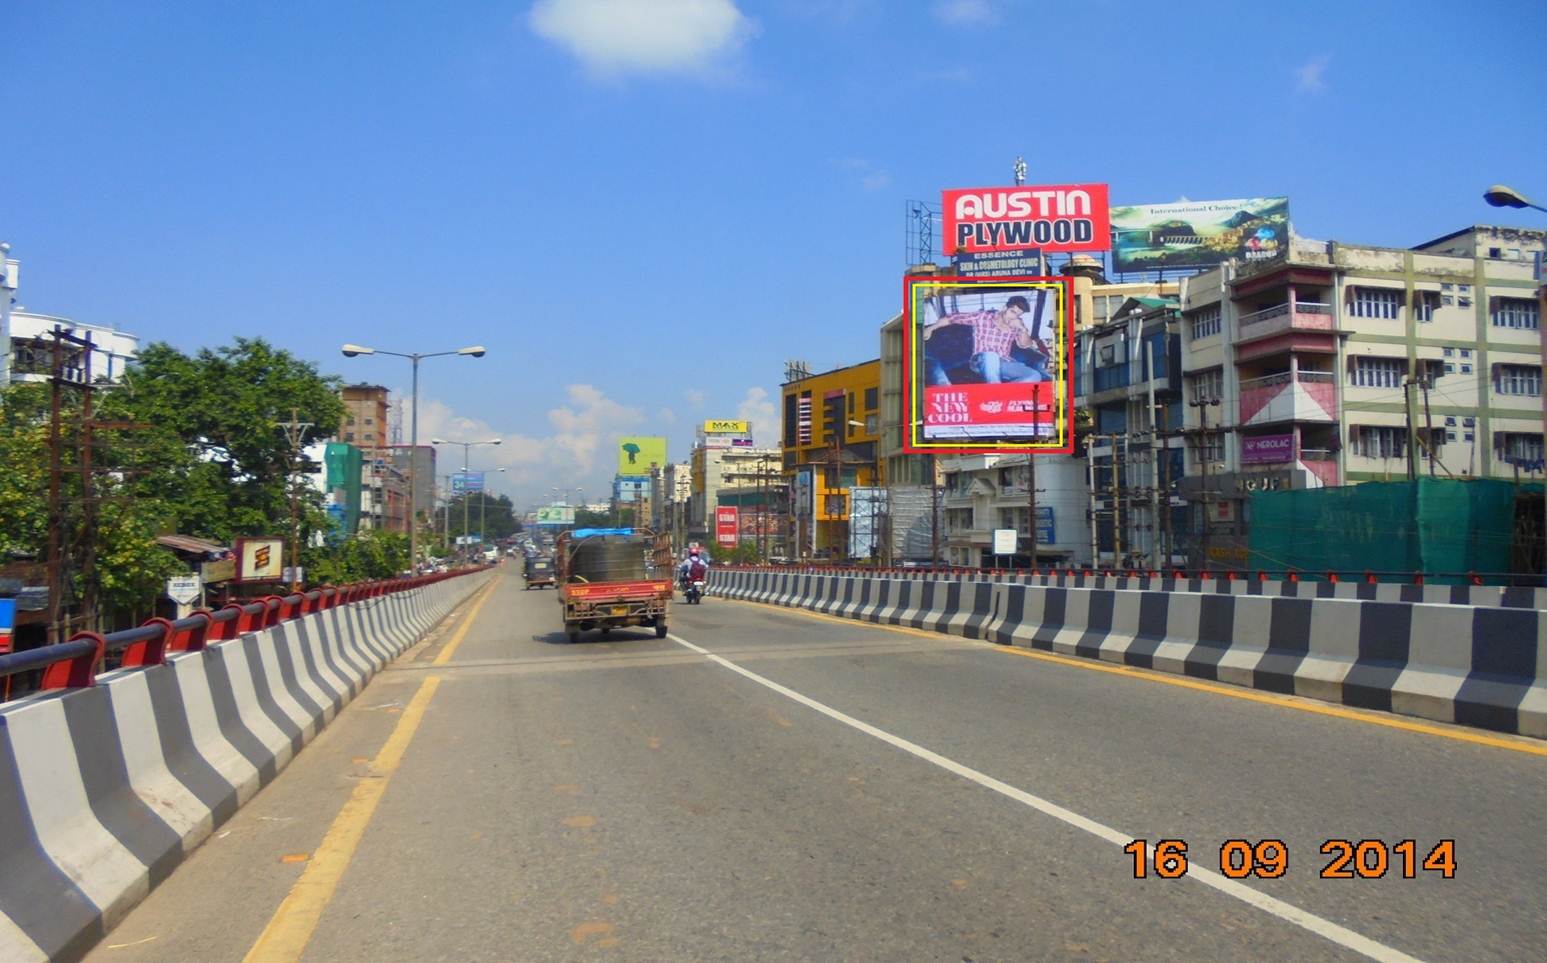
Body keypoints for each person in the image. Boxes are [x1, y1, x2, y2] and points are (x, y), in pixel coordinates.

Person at [922, 295, 1050, 384]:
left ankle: (1000, 394)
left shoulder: (1017, 323)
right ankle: (995, 389)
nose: (1013, 317)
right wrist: (931, 328)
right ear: (1004, 308)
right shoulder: (983, 317)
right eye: (1012, 312)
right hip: (981, 360)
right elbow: (952, 318)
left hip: (1004, 363)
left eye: (1017, 314)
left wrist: (1022, 329)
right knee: (991, 356)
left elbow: (1024, 345)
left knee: (1034, 376)